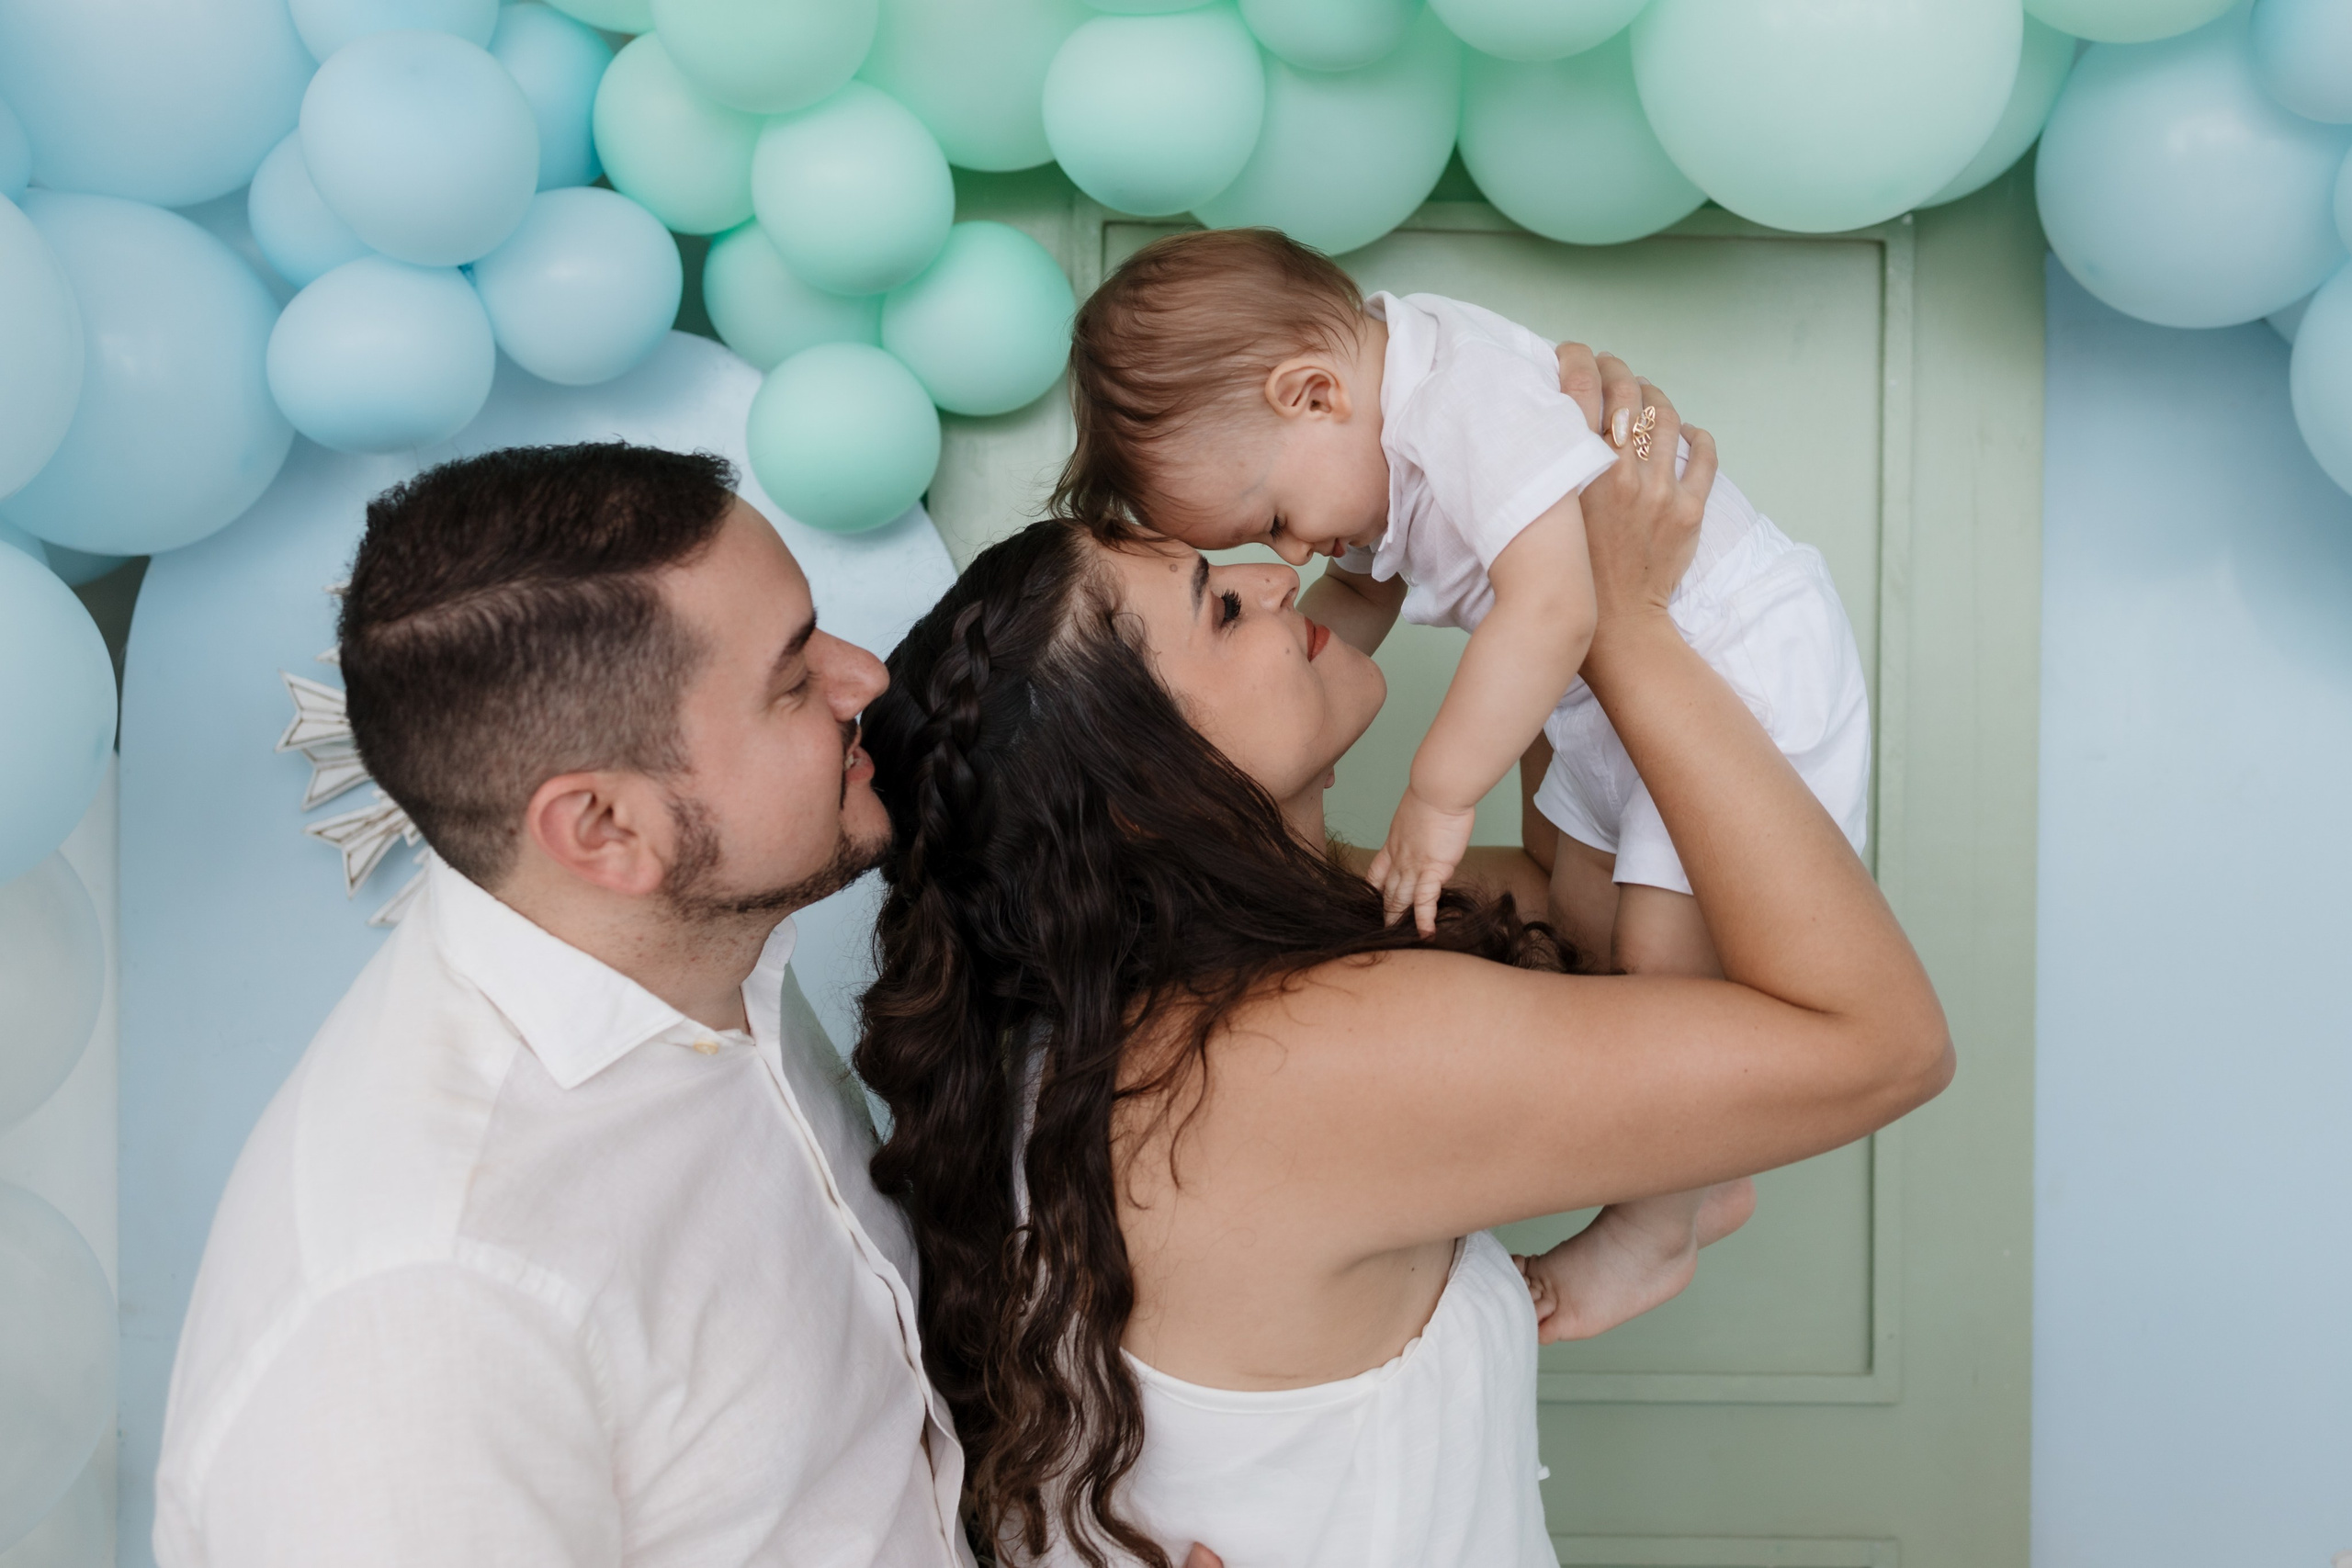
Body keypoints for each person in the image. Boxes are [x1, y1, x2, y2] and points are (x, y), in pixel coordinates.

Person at [854, 362, 1951, 1568]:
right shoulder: (1294, 1055)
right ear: (1140, 795)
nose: (1280, 575)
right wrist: (1625, 621)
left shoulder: (1152, 1005)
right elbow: (1880, 1042)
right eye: (1222, 607)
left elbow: (1577, 910)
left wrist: (1537, 540)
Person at [152, 445, 1227, 1568]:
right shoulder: (423, 1313)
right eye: (795, 679)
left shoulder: (704, 955)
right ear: (607, 832)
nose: (867, 683)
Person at [1049, 226, 1872, 1325]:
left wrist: (1439, 795)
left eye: (1277, 523)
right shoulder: (1371, 434)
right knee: (1591, 921)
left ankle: (1654, 1227)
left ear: (1311, 392)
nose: (1289, 561)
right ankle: (1699, 1178)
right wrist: (1224, 764)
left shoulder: (1458, 403)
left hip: (1728, 654)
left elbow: (1554, 603)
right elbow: (1358, 609)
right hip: (1600, 676)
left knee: (1673, 984)